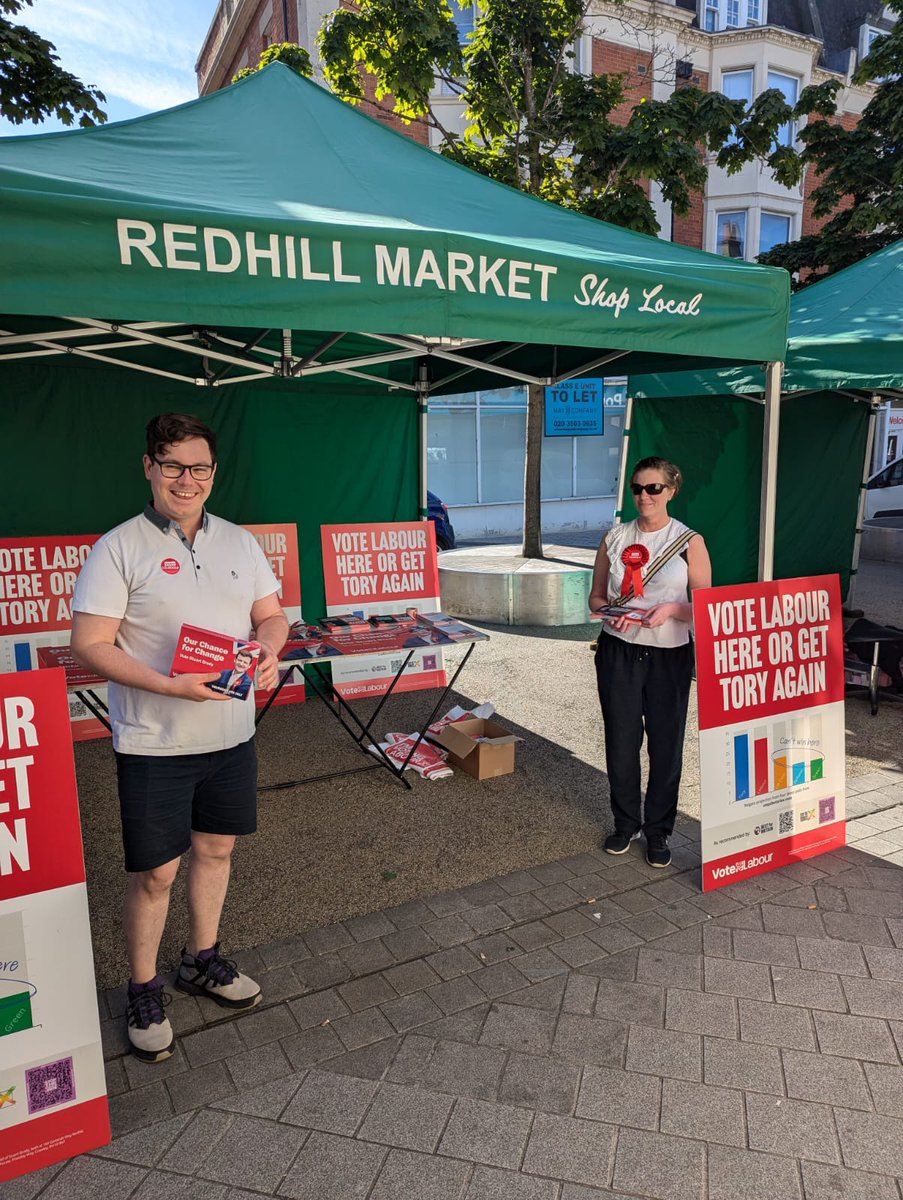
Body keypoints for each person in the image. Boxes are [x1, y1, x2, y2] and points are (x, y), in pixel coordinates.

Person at [70, 413, 288, 1063]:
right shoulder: (118, 547)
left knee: (216, 851)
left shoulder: (240, 543)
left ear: (214, 473)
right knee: (155, 874)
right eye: (172, 465)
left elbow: (272, 616)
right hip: (154, 742)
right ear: (149, 467)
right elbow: (90, 644)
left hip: (230, 735)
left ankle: (201, 960)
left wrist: (269, 650)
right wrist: (170, 686)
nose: (186, 480)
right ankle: (143, 989)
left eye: (199, 468)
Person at [588, 456, 711, 868]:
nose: (644, 496)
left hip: (669, 655)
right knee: (621, 742)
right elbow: (596, 598)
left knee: (665, 744)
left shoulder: (689, 542)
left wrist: (673, 609)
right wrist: (611, 613)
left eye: (653, 488)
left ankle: (659, 830)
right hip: (619, 651)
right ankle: (625, 823)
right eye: (638, 488)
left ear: (671, 491)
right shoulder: (615, 537)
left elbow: (706, 607)